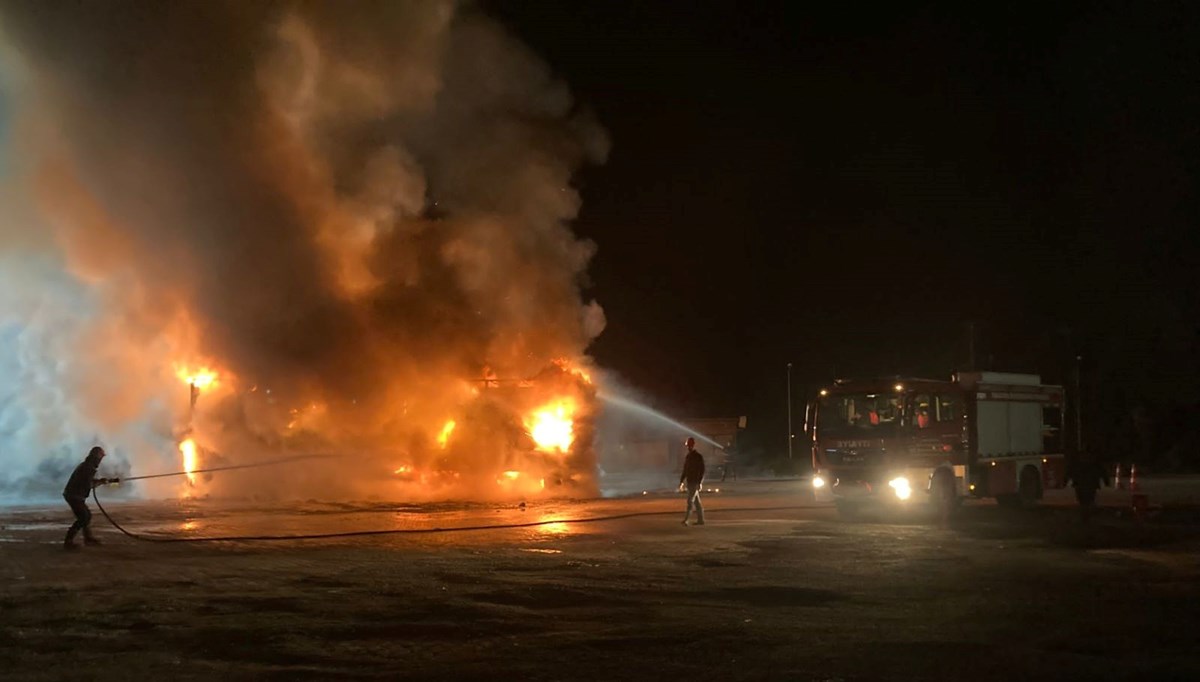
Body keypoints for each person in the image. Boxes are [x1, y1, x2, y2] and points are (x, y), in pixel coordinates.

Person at [63, 446, 118, 550]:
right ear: (96, 457)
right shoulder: (88, 468)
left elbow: (88, 481)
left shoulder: (87, 466)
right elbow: (88, 484)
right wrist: (101, 482)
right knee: (84, 517)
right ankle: (69, 541)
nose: (101, 460)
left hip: (74, 495)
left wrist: (106, 481)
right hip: (74, 496)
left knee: (85, 516)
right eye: (101, 457)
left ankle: (88, 538)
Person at [1064, 454, 1110, 523]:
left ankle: (1085, 513)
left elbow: (1069, 472)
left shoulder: (1077, 463)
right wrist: (1106, 482)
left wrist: (1065, 481)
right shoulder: (1094, 463)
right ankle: (1086, 513)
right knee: (1088, 499)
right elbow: (1102, 472)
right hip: (1090, 484)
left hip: (1081, 484)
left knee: (1083, 500)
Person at [679, 437, 706, 526]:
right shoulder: (688, 456)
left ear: (693, 445)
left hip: (694, 482)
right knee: (696, 502)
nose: (688, 447)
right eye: (688, 445)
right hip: (690, 482)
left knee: (690, 501)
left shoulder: (698, 457)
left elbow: (702, 470)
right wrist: (682, 481)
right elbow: (685, 469)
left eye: (689, 445)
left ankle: (686, 519)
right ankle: (701, 520)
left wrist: (700, 482)